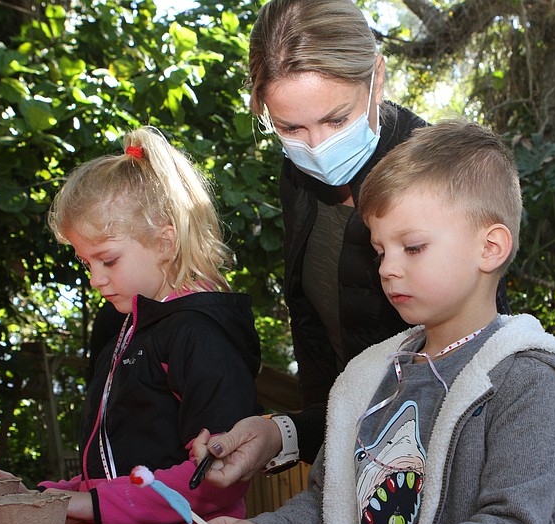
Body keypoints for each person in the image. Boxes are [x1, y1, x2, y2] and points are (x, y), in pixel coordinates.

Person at [200, 120, 555, 524]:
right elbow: (329, 501)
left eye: (412, 247)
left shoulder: (525, 381)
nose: (388, 268)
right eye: (379, 250)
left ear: (489, 248)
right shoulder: (368, 377)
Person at [193, 0, 510, 487]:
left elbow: (471, 366)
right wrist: (284, 433)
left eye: (337, 120)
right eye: (290, 128)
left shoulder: (437, 183)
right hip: (351, 467)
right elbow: (326, 355)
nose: (317, 147)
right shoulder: (296, 179)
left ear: (377, 79)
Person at [0, 127, 261, 524]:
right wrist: (47, 496)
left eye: (108, 260)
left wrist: (91, 505)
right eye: (86, 263)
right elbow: (122, 469)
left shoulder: (198, 332)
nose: (95, 279)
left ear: (165, 242)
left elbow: (216, 479)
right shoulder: (131, 325)